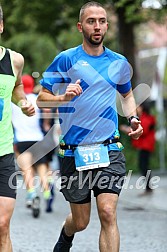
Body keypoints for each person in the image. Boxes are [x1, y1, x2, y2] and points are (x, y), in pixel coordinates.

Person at [37, 2, 143, 251]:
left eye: (102, 21)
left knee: (107, 212)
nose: (97, 26)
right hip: (74, 151)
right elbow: (42, 98)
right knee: (81, 221)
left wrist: (133, 118)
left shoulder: (118, 62)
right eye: (91, 21)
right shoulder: (65, 60)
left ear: (107, 25)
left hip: (109, 148)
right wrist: (62, 97)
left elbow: (127, 96)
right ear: (80, 26)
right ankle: (66, 235)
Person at [0, 6, 35, 252]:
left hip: (3, 152)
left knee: (2, 224)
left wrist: (23, 104)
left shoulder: (15, 60)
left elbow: (17, 88)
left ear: (1, 26)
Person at [12, 74, 55, 215]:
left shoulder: (15, 101)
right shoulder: (36, 100)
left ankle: (31, 193)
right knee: (42, 167)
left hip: (22, 139)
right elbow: (47, 111)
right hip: (38, 138)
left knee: (27, 168)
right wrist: (46, 124)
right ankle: (47, 192)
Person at [120, 102, 156, 194]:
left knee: (144, 166)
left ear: (142, 108)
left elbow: (143, 131)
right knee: (143, 166)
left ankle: (148, 188)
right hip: (144, 146)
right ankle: (148, 188)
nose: (136, 108)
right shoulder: (143, 117)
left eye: (138, 107)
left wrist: (126, 129)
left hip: (146, 146)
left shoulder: (145, 118)